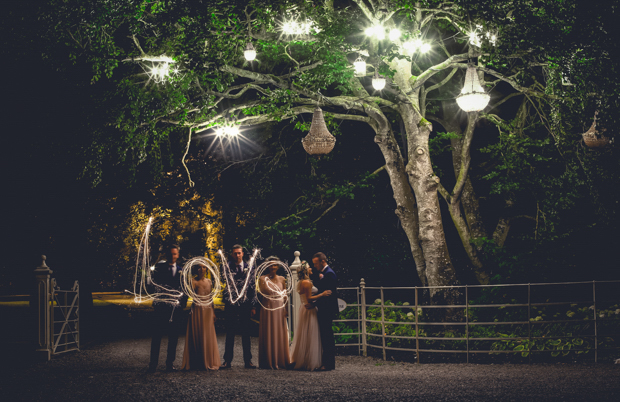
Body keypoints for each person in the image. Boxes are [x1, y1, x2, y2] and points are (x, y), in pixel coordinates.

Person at [148, 244, 188, 373]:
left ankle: (169, 363)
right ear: (167, 254)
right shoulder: (159, 269)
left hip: (176, 310)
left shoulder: (182, 270)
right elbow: (153, 286)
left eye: (175, 254)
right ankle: (153, 364)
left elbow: (185, 289)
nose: (172, 256)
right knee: (157, 336)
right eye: (170, 254)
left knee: (173, 337)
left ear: (178, 255)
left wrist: (182, 304)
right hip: (161, 308)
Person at [290, 261, 331, 371]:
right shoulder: (306, 282)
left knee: (306, 334)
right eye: (309, 268)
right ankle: (309, 361)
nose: (311, 269)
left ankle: (305, 358)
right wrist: (322, 294)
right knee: (311, 334)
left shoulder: (302, 282)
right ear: (305, 270)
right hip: (309, 309)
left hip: (305, 308)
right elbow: (309, 298)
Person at [220, 245, 257, 369]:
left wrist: (253, 306)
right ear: (232, 254)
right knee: (230, 332)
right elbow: (224, 284)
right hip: (231, 304)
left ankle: (248, 361)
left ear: (242, 254)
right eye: (235, 253)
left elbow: (252, 287)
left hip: (245, 305)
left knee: (246, 332)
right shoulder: (227, 267)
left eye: (239, 253)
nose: (237, 255)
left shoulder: (249, 267)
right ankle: (227, 361)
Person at [180, 263, 221, 370]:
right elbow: (189, 294)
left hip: (207, 310)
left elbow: (210, 297)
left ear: (206, 269)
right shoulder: (193, 281)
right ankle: (197, 361)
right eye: (199, 267)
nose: (201, 269)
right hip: (197, 310)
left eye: (203, 267)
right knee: (198, 333)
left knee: (207, 334)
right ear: (196, 269)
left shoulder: (209, 281)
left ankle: (207, 360)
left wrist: (213, 311)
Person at [258, 257, 291, 369]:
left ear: (278, 267)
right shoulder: (262, 278)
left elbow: (285, 294)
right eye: (271, 265)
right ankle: (269, 360)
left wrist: (286, 308)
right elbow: (261, 292)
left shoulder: (282, 279)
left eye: (275, 265)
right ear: (267, 266)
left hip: (279, 307)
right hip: (268, 307)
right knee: (269, 331)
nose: (273, 267)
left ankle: (281, 360)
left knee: (280, 332)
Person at [311, 252, 338, 371]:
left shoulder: (329, 274)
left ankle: (328, 364)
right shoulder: (325, 273)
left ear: (322, 262)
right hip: (324, 309)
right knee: (326, 336)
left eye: (316, 263)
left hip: (326, 310)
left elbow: (328, 296)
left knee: (327, 337)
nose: (315, 266)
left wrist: (314, 303)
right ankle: (327, 363)